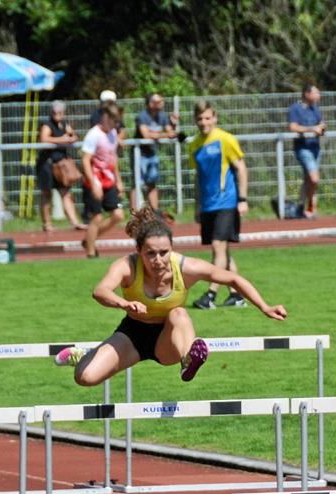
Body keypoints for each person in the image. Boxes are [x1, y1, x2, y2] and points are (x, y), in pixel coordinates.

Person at [54, 207, 287, 384]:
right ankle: (88, 353)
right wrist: (124, 303)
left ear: (172, 249)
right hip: (133, 334)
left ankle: (188, 360)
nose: (158, 260)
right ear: (138, 251)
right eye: (151, 254)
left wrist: (264, 307)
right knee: (85, 377)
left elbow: (233, 279)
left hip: (169, 339)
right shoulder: (127, 266)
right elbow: (100, 291)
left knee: (179, 313)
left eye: (164, 253)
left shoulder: (186, 267)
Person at [188, 100, 250, 309]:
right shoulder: (194, 145)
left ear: (214, 118)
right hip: (207, 205)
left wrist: (242, 199)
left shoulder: (225, 139)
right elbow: (198, 177)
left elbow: (241, 168)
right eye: (200, 118)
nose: (204, 122)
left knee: (218, 247)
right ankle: (237, 295)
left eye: (207, 118)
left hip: (226, 201)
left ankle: (210, 295)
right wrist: (197, 205)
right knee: (224, 252)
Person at [80, 102, 125, 259]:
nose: (115, 125)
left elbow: (113, 158)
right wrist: (93, 184)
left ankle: (89, 240)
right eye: (113, 121)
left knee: (118, 215)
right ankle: (91, 253)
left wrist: (118, 180)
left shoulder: (112, 133)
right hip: (94, 181)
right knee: (97, 217)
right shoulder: (93, 134)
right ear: (105, 117)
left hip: (109, 180)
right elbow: (85, 160)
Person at [36, 100, 87, 233]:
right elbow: (44, 139)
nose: (56, 114)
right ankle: (47, 224)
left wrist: (72, 138)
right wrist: (63, 140)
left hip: (61, 166)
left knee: (66, 193)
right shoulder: (47, 124)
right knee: (47, 195)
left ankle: (75, 222)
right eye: (54, 112)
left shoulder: (65, 124)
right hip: (47, 165)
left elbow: (73, 135)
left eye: (59, 112)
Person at [135, 93, 179, 211]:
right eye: (159, 101)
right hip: (140, 154)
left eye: (162, 101)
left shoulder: (163, 116)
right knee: (137, 184)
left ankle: (155, 212)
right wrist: (165, 134)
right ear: (150, 104)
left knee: (152, 183)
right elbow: (146, 135)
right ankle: (134, 214)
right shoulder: (142, 117)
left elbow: (171, 133)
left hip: (152, 154)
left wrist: (173, 125)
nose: (162, 103)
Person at [287, 83, 326, 219]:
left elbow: (320, 125)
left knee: (309, 179)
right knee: (314, 179)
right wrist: (311, 129)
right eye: (316, 93)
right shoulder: (295, 109)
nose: (318, 96)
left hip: (315, 147)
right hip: (303, 148)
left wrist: (321, 129)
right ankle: (311, 206)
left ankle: (300, 207)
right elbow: (293, 127)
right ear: (306, 94)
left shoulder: (315, 109)